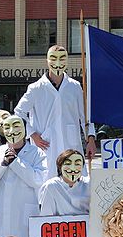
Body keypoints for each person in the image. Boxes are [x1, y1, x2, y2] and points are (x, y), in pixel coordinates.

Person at [14, 45, 96, 180]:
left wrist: (91, 139)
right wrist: (32, 134)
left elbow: (85, 116)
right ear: (47, 61)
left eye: (62, 58)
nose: (58, 62)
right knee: (47, 183)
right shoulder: (36, 88)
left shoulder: (74, 86)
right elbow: (19, 112)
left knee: (74, 183)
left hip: (70, 143)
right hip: (46, 144)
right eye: (53, 58)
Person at [0, 115, 46, 237]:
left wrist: (16, 163)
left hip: (25, 214)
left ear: (24, 129)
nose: (12, 131)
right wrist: (3, 164)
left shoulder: (36, 153)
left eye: (16, 126)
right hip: (0, 214)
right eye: (7, 127)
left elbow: (38, 180)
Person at [39, 149, 90, 216]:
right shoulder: (51, 186)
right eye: (68, 164)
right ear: (60, 166)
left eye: (77, 164)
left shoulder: (89, 184)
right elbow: (46, 215)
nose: (72, 168)